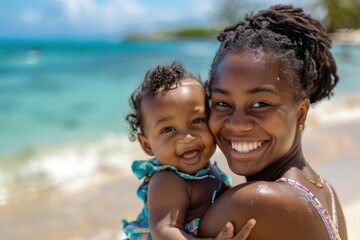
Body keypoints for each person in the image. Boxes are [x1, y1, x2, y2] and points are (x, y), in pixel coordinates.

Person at [197, 5, 347, 240]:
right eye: (222, 104)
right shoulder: (325, 191)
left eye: (259, 104)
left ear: (300, 113)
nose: (237, 124)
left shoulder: (254, 202)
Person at [121, 61, 256, 240]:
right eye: (167, 130)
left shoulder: (206, 171)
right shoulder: (167, 180)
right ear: (147, 145)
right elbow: (164, 231)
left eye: (197, 121)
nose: (187, 137)